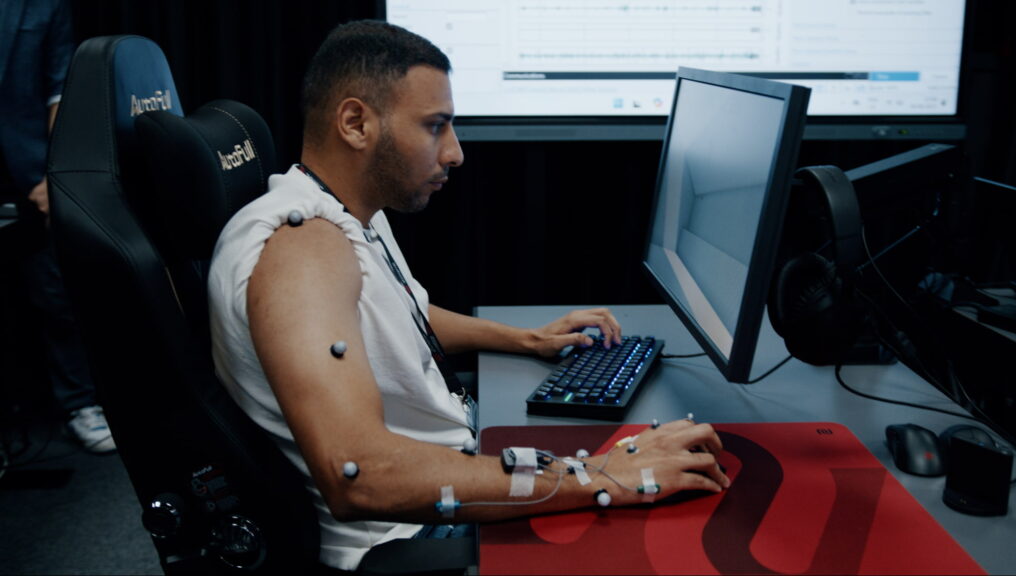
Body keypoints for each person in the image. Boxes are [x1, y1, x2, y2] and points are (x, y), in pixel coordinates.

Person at [208, 20, 729, 571]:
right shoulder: (303, 251)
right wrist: (599, 476)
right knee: (696, 531)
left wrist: (526, 339)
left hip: (446, 476)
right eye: (436, 126)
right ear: (356, 122)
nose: (454, 153)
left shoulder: (343, 212)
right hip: (412, 538)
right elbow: (357, 475)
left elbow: (393, 311)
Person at [0, 0, 114, 453]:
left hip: (27, 166)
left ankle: (78, 404)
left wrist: (52, 172)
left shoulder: (46, 5)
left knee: (54, 289)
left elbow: (57, 89)